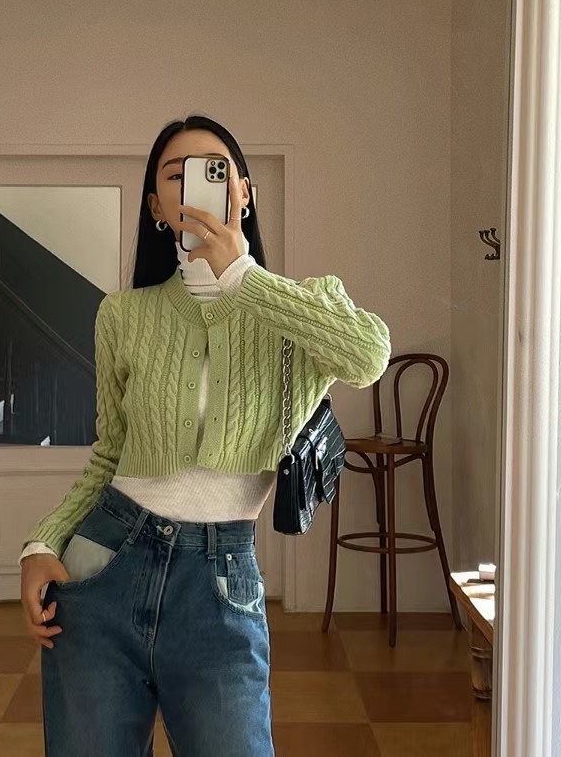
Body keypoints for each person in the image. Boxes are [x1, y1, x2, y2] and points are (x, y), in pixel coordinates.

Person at [19, 114, 391, 756]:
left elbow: (368, 356)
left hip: (222, 580)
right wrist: (41, 542)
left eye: (215, 171)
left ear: (244, 192)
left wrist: (242, 276)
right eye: (176, 174)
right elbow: (108, 456)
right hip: (103, 567)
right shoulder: (123, 315)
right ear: (156, 207)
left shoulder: (302, 305)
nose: (194, 185)